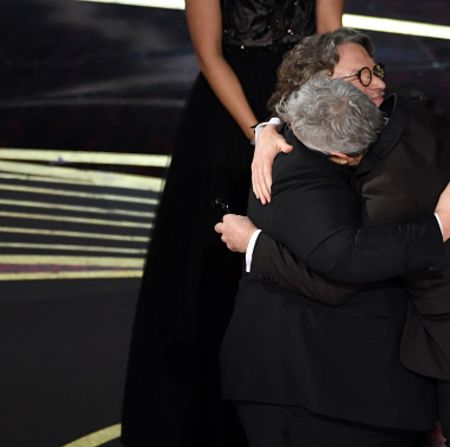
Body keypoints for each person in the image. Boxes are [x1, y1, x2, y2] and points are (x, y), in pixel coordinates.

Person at [220, 28, 450, 446]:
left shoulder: (382, 181)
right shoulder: (413, 109)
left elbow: (340, 272)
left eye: (376, 71)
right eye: (360, 76)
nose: (377, 82)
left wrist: (253, 245)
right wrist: (267, 128)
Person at [120, 2, 343, 446]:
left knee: (310, 251)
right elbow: (209, 54)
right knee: (217, 274)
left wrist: (320, 117)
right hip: (231, 113)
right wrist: (258, 129)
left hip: (303, 100)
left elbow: (331, 37)